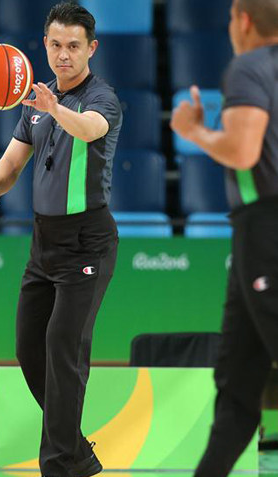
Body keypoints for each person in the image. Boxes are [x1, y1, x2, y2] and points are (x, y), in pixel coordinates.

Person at [0, 2, 121, 476]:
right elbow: (13, 159)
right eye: (55, 45)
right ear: (44, 45)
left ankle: (58, 465)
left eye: (73, 46)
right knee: (29, 347)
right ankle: (76, 452)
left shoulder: (101, 98)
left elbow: (90, 130)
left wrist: (55, 109)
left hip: (87, 241)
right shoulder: (36, 102)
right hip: (44, 242)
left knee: (63, 346)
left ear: (91, 48)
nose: (63, 55)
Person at [170, 0, 278, 475]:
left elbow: (241, 150)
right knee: (237, 381)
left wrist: (193, 130)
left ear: (244, 20)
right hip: (255, 234)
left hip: (266, 228)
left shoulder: (248, 67)